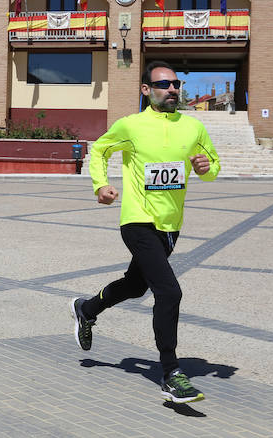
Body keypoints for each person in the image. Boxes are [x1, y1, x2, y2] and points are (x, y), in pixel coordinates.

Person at [71, 60, 220, 404]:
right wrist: (101, 185)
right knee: (169, 292)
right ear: (146, 90)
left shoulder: (193, 127)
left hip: (171, 225)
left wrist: (205, 166)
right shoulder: (131, 125)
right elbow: (100, 150)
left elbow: (212, 168)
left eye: (176, 84)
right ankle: (171, 373)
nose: (172, 90)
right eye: (163, 84)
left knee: (137, 286)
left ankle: (86, 309)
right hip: (137, 221)